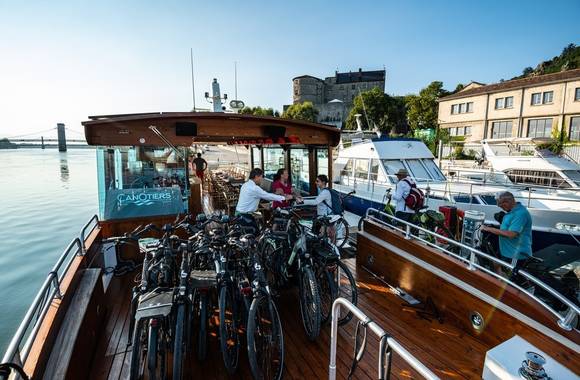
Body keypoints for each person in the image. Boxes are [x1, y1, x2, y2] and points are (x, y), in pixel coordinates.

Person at [481, 191, 532, 270]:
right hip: (506, 252)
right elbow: (508, 228)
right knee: (495, 266)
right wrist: (494, 227)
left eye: (500, 204)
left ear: (508, 202)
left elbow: (511, 234)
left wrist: (489, 229)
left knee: (508, 280)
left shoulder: (520, 214)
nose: (499, 206)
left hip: (515, 254)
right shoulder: (511, 212)